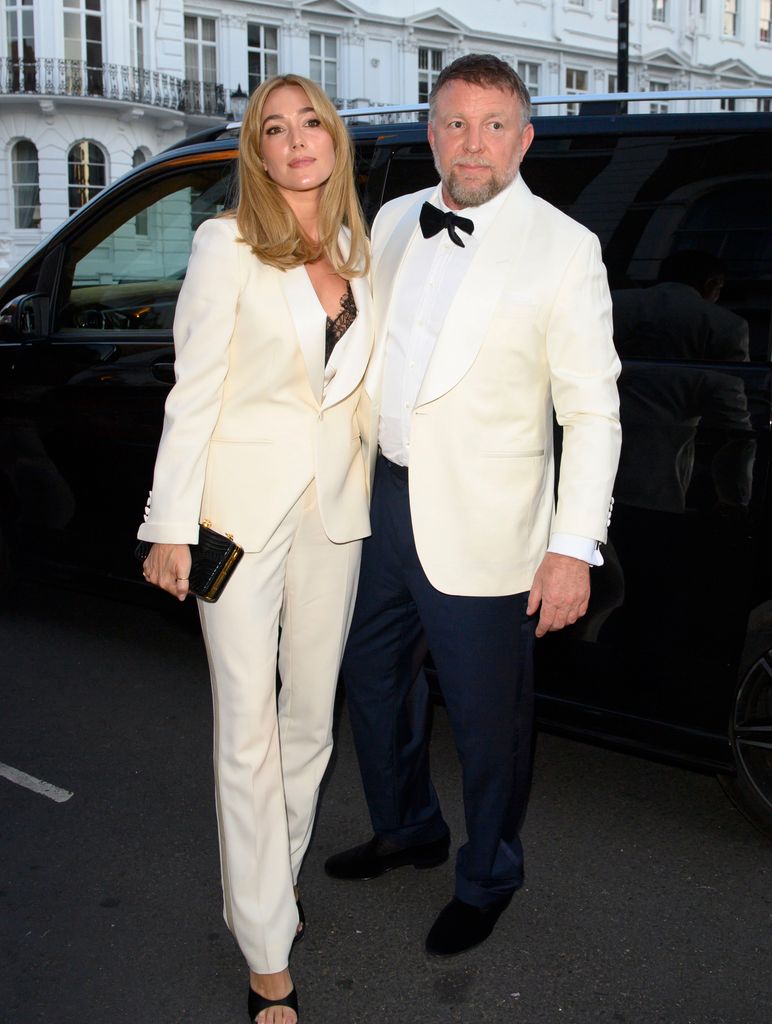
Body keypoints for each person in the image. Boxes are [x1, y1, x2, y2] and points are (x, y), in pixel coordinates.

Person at [324, 54, 622, 957]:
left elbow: (593, 411)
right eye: (456, 123)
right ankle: (408, 826)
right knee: (372, 687)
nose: (474, 142)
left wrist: (573, 547)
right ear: (432, 133)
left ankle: (488, 873)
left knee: (491, 724)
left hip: (493, 529)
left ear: (525, 138)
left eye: (495, 125)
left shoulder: (565, 248)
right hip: (382, 503)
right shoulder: (391, 221)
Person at [138, 74, 372, 1024]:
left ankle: (263, 884)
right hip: (236, 514)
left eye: (310, 120)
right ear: (259, 152)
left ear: (333, 139)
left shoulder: (363, 249)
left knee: (312, 721)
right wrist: (167, 521)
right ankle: (266, 953)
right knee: (249, 731)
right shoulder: (223, 245)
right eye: (274, 129)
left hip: (332, 513)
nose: (296, 139)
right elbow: (191, 390)